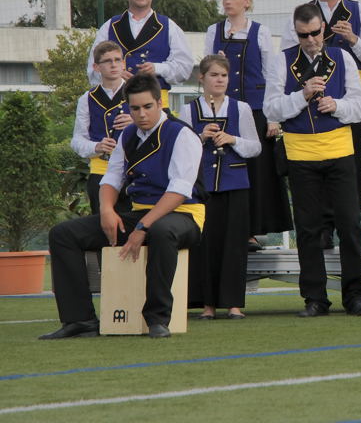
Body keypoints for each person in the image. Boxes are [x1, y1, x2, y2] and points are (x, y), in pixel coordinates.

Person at [40, 74, 204, 340]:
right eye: (135, 108)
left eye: (147, 107)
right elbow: (112, 178)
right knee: (63, 234)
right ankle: (80, 320)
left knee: (161, 231)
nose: (141, 114)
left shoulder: (182, 134)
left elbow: (179, 191)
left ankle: (157, 319)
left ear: (160, 103)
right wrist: (106, 210)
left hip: (184, 215)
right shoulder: (127, 135)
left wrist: (142, 226)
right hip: (141, 213)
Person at [265, 3, 361, 317]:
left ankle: (355, 296)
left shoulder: (342, 58)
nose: (310, 40)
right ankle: (315, 298)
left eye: (314, 33)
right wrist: (303, 95)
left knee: (350, 226)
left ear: (323, 28)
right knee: (308, 230)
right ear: (295, 33)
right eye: (303, 35)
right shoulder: (281, 61)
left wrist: (336, 105)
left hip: (339, 151)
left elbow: (360, 106)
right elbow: (271, 109)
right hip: (300, 154)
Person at [281, 0, 361, 248]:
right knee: (312, 171)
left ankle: (349, 228)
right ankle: (322, 230)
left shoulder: (358, 11)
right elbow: (287, 56)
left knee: (350, 168)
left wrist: (353, 39)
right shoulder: (302, 13)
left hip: (349, 102)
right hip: (308, 102)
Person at [204, 0, 292, 248]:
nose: (228, 1)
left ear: (247, 2)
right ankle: (223, 227)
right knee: (225, 168)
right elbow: (207, 71)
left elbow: (271, 74)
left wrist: (273, 117)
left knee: (256, 171)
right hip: (223, 111)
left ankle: (253, 229)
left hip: (255, 110)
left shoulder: (260, 32)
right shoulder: (214, 31)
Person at [180, 54, 262, 320]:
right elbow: (180, 151)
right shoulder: (188, 110)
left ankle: (234, 304)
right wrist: (199, 138)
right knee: (206, 246)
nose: (220, 80)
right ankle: (207, 305)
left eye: (224, 76)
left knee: (234, 246)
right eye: (214, 75)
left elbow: (255, 147)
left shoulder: (241, 108)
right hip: (203, 188)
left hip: (235, 184)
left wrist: (233, 139)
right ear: (201, 78)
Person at [87, 0, 194, 110]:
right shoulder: (109, 27)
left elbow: (184, 68)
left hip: (156, 106)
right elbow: (93, 69)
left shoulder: (169, 26)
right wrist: (115, 76)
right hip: (118, 105)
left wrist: (157, 68)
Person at [71, 40, 132, 214]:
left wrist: (136, 121)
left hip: (134, 169)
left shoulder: (137, 92)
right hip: (101, 170)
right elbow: (77, 139)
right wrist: (96, 146)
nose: (114, 65)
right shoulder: (87, 98)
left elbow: (162, 125)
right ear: (96, 67)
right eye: (107, 61)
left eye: (118, 60)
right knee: (102, 225)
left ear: (123, 64)